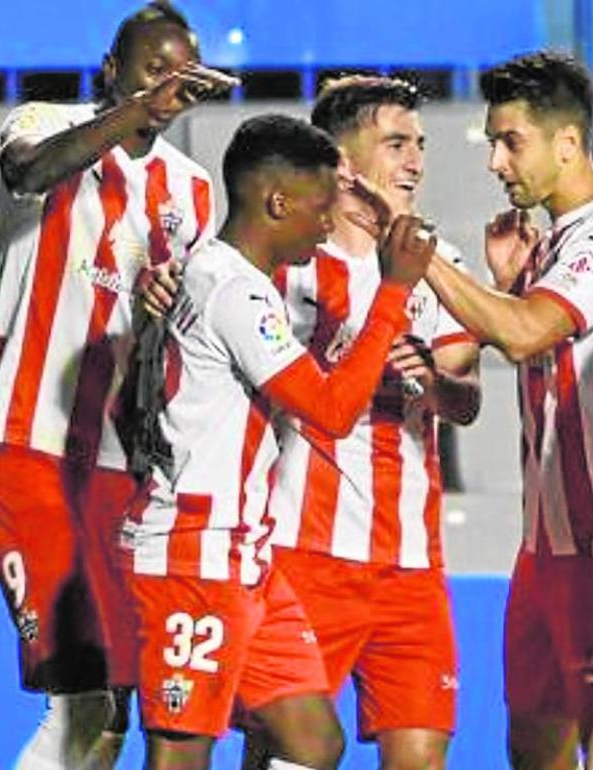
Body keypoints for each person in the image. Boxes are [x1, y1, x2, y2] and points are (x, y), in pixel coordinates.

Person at [121, 114, 438, 770]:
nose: (328, 226)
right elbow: (330, 409)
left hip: (245, 556)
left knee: (313, 742)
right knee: (181, 753)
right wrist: (395, 291)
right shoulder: (232, 289)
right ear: (277, 202)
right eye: (321, 209)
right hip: (192, 557)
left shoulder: (222, 278)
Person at [0, 3, 235, 768]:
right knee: (80, 687)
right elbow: (27, 172)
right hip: (26, 438)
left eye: (180, 73)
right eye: (154, 69)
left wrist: (159, 314)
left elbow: (162, 341)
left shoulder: (190, 191)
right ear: (112, 70)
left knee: (114, 705)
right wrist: (135, 113)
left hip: (117, 462)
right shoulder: (44, 122)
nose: (169, 88)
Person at [227, 75, 480, 770]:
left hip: (413, 565)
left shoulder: (443, 268)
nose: (416, 162)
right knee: (286, 752)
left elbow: (468, 400)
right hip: (304, 552)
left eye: (420, 145)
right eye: (396, 143)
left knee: (422, 758)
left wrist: (435, 379)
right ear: (341, 163)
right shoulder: (287, 270)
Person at [418, 52, 593, 768]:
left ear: (568, 143)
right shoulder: (552, 242)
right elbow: (540, 353)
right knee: (532, 748)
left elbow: (526, 331)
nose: (494, 161)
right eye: (492, 142)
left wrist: (424, 257)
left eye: (509, 141)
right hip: (543, 546)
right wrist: (509, 284)